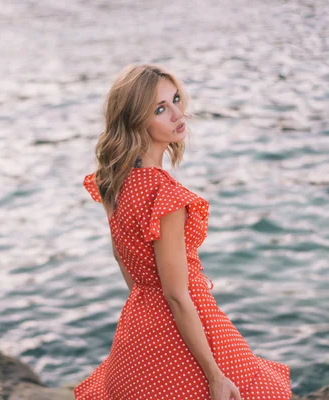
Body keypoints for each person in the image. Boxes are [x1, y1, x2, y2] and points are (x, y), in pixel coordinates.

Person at [74, 64, 291, 400]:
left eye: (175, 100)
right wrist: (214, 376)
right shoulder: (165, 196)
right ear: (136, 121)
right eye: (161, 109)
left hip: (140, 322)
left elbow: (121, 256)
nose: (178, 114)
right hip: (188, 316)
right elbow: (176, 296)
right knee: (255, 390)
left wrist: (149, 305)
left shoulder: (112, 182)